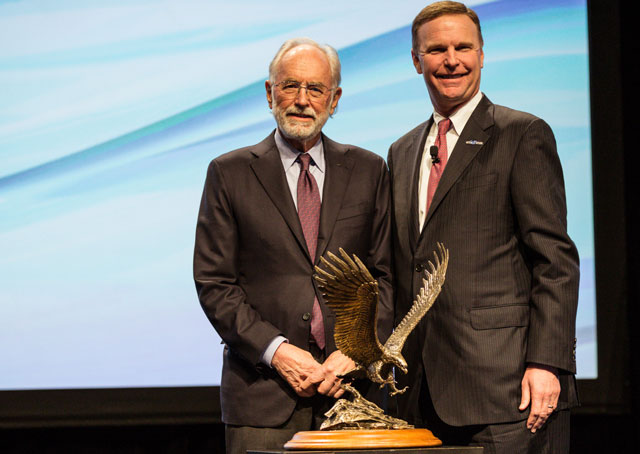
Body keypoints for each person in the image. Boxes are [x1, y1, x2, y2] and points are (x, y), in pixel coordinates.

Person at [387, 2, 580, 453]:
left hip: (507, 391)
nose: (451, 59)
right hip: (419, 395)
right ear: (417, 60)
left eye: (463, 47)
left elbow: (555, 260)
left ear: (482, 53)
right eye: (437, 49)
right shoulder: (401, 151)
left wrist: (547, 363)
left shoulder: (522, 134)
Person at [193, 37, 392, 454]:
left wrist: (355, 352)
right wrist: (277, 352)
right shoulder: (229, 173)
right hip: (262, 399)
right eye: (290, 86)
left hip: (352, 396)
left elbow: (387, 276)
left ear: (334, 99)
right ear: (269, 93)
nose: (302, 100)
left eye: (316, 89)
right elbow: (215, 283)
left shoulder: (370, 170)